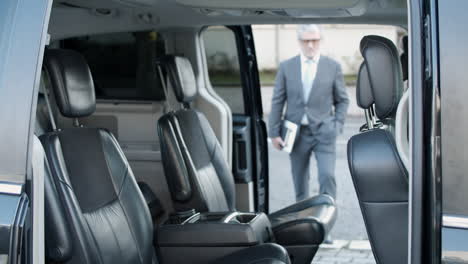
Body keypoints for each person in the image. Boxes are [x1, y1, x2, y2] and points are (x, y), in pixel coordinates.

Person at [268, 24, 349, 202]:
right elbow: (277, 101)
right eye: (306, 41)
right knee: (300, 183)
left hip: (325, 131)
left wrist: (337, 125)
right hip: (296, 134)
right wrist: (273, 133)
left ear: (320, 41)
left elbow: (342, 100)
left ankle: (325, 223)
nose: (310, 45)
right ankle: (303, 224)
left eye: (314, 40)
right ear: (299, 42)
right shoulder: (286, 67)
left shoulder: (332, 67)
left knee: (327, 177)